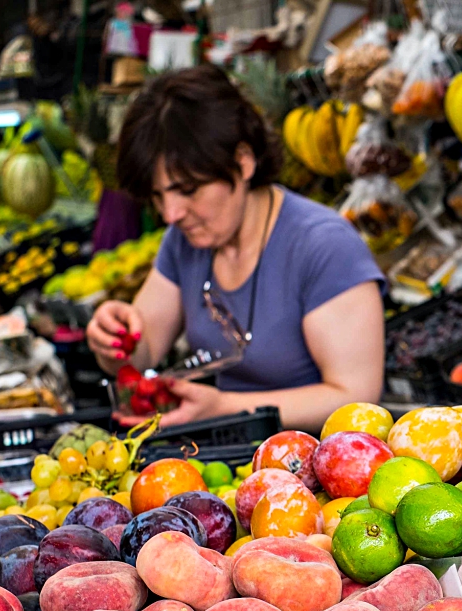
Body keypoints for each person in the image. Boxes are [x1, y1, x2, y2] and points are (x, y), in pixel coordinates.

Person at [86, 65, 385, 432]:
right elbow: (143, 350)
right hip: (229, 467)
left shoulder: (324, 246)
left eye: (188, 189)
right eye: (157, 196)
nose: (171, 214)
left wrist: (225, 407)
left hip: (317, 471)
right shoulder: (185, 241)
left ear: (242, 161)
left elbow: (356, 397)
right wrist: (111, 338)